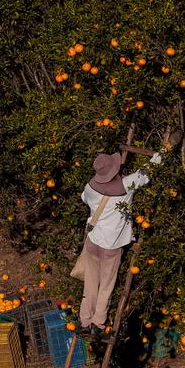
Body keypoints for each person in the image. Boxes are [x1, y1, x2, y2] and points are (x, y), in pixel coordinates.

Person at [78, 143, 165, 340]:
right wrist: (164, 151)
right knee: (106, 286)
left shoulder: (90, 187)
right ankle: (97, 325)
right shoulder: (124, 187)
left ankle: (84, 320)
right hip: (110, 246)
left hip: (92, 241)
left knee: (91, 283)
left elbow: (85, 198)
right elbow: (146, 172)